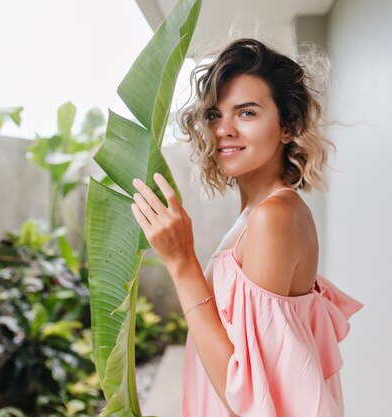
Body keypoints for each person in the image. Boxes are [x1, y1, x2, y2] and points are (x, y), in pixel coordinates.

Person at [130, 38, 363, 417]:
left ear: (288, 126)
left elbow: (250, 397)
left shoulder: (275, 217)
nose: (224, 129)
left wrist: (182, 263)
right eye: (214, 115)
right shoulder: (258, 214)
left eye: (247, 113)